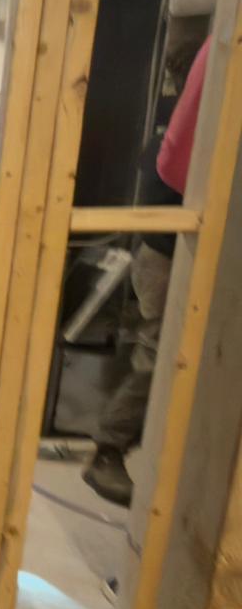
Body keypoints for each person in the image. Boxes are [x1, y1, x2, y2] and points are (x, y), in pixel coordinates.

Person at [85, 34, 209, 507]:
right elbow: (175, 179)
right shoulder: (177, 136)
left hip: (160, 256)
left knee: (162, 355)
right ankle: (108, 450)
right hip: (165, 257)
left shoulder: (171, 128)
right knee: (159, 356)